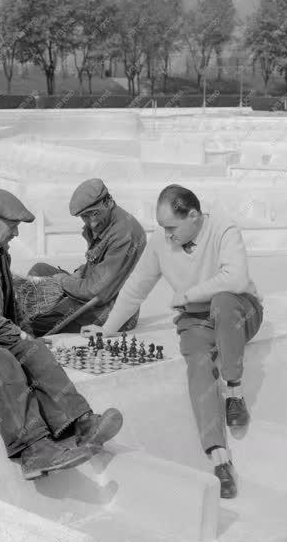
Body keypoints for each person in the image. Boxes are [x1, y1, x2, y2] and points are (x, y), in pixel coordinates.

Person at [0, 188, 123, 480]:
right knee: (1, 363)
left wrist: (26, 335)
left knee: (35, 353)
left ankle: (82, 423)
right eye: (12, 225)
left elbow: (7, 304)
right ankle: (34, 451)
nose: (16, 233)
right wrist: (15, 335)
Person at [82, 184, 263, 499]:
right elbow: (136, 287)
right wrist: (108, 329)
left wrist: (187, 295)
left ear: (193, 216)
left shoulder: (223, 227)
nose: (166, 235)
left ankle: (234, 391)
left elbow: (235, 279)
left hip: (238, 310)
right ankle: (219, 459)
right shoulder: (161, 242)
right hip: (194, 319)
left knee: (222, 301)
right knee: (198, 365)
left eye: (171, 228)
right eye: (162, 228)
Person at [18, 178, 147, 336]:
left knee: (34, 321)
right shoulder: (105, 222)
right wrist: (80, 271)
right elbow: (97, 264)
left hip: (107, 308)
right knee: (39, 270)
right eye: (85, 216)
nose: (92, 223)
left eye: (95, 214)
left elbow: (96, 291)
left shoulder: (124, 235)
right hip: (90, 289)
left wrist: (63, 281)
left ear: (109, 202)